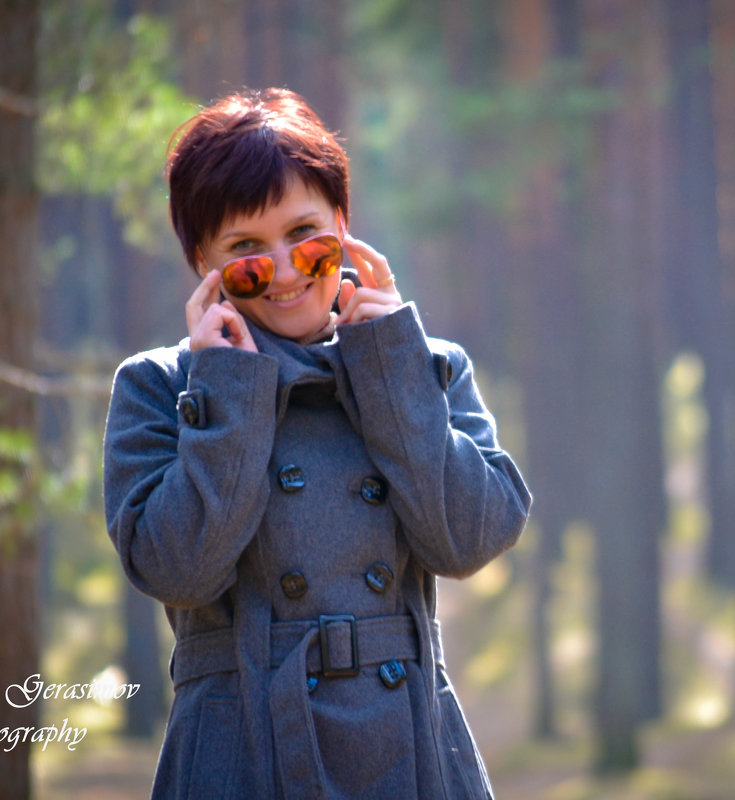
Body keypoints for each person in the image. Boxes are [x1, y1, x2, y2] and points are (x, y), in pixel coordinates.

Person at [103, 87, 531, 799]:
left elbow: (472, 540)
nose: (287, 269)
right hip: (243, 755)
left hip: (413, 755)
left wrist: (390, 366)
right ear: (202, 263)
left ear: (344, 225)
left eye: (306, 236)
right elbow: (178, 570)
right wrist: (229, 390)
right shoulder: (161, 386)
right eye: (246, 254)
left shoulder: (422, 362)